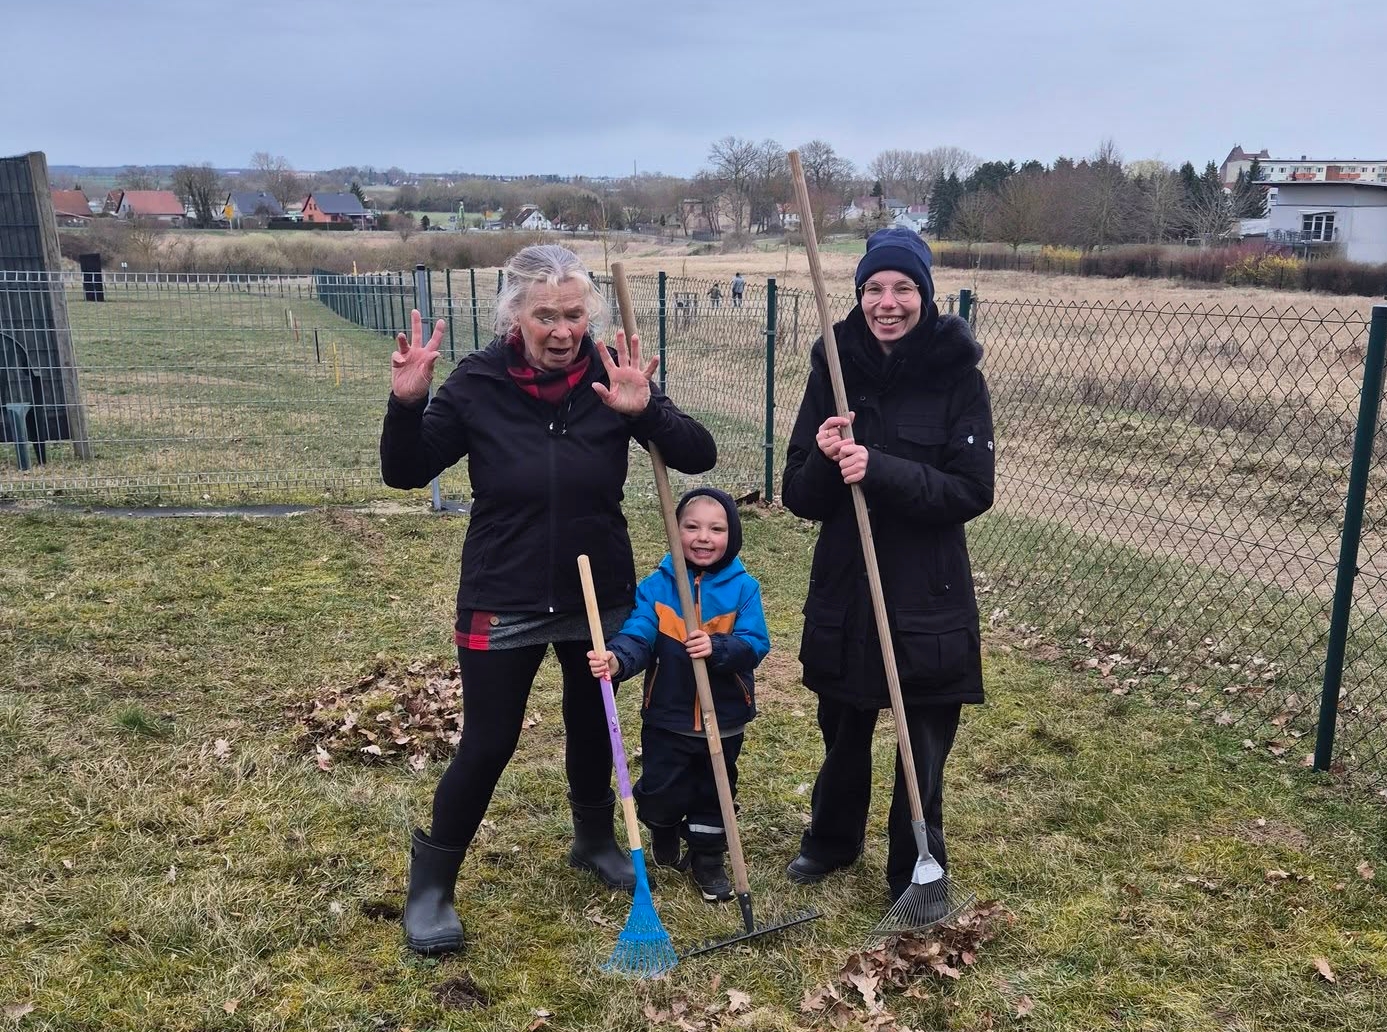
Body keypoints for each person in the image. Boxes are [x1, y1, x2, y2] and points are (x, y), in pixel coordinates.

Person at [380, 243, 717, 955]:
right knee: (490, 740)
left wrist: (646, 410)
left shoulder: (612, 373)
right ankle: (432, 887)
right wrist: (407, 403)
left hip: (598, 586)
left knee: (594, 719)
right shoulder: (478, 382)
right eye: (545, 317)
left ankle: (593, 839)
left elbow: (698, 454)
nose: (563, 331)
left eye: (573, 315)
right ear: (515, 316)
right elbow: (405, 470)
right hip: (504, 588)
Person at [780, 229, 994, 903]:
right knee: (843, 724)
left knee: (922, 737)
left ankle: (916, 866)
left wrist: (879, 468)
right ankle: (832, 839)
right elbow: (798, 495)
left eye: (903, 287)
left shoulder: (958, 377)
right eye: (873, 288)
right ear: (858, 295)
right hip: (848, 582)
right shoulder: (833, 368)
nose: (887, 302)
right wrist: (825, 458)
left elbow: (971, 490)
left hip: (928, 589)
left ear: (925, 295)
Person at [588, 488, 767, 902]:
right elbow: (639, 633)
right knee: (660, 791)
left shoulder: (743, 589)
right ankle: (664, 825)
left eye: (716, 529)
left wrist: (718, 648)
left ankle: (708, 859)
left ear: (733, 535)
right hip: (668, 716)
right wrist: (617, 659)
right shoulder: (658, 587)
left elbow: (755, 643)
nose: (703, 537)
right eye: (691, 527)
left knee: (714, 791)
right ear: (674, 530)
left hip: (723, 717)